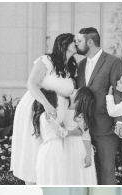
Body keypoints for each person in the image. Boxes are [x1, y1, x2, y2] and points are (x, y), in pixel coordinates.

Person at [10, 32, 78, 184]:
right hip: (38, 109)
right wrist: (47, 105)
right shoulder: (46, 60)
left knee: (50, 154)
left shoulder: (71, 67)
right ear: (64, 44)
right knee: (34, 151)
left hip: (57, 113)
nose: (78, 43)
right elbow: (31, 84)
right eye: (74, 41)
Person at [73, 27, 122, 185]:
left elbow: (119, 93)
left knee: (106, 171)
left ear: (89, 42)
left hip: (106, 128)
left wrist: (120, 122)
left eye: (79, 41)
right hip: (82, 129)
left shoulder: (113, 62)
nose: (76, 44)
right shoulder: (80, 65)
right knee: (86, 173)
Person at [33, 87, 94, 185]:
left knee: (76, 174)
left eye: (76, 91)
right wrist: (72, 132)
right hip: (64, 145)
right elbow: (59, 130)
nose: (73, 90)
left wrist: (88, 154)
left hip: (77, 146)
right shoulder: (60, 110)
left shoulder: (80, 115)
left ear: (80, 98)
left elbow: (86, 135)